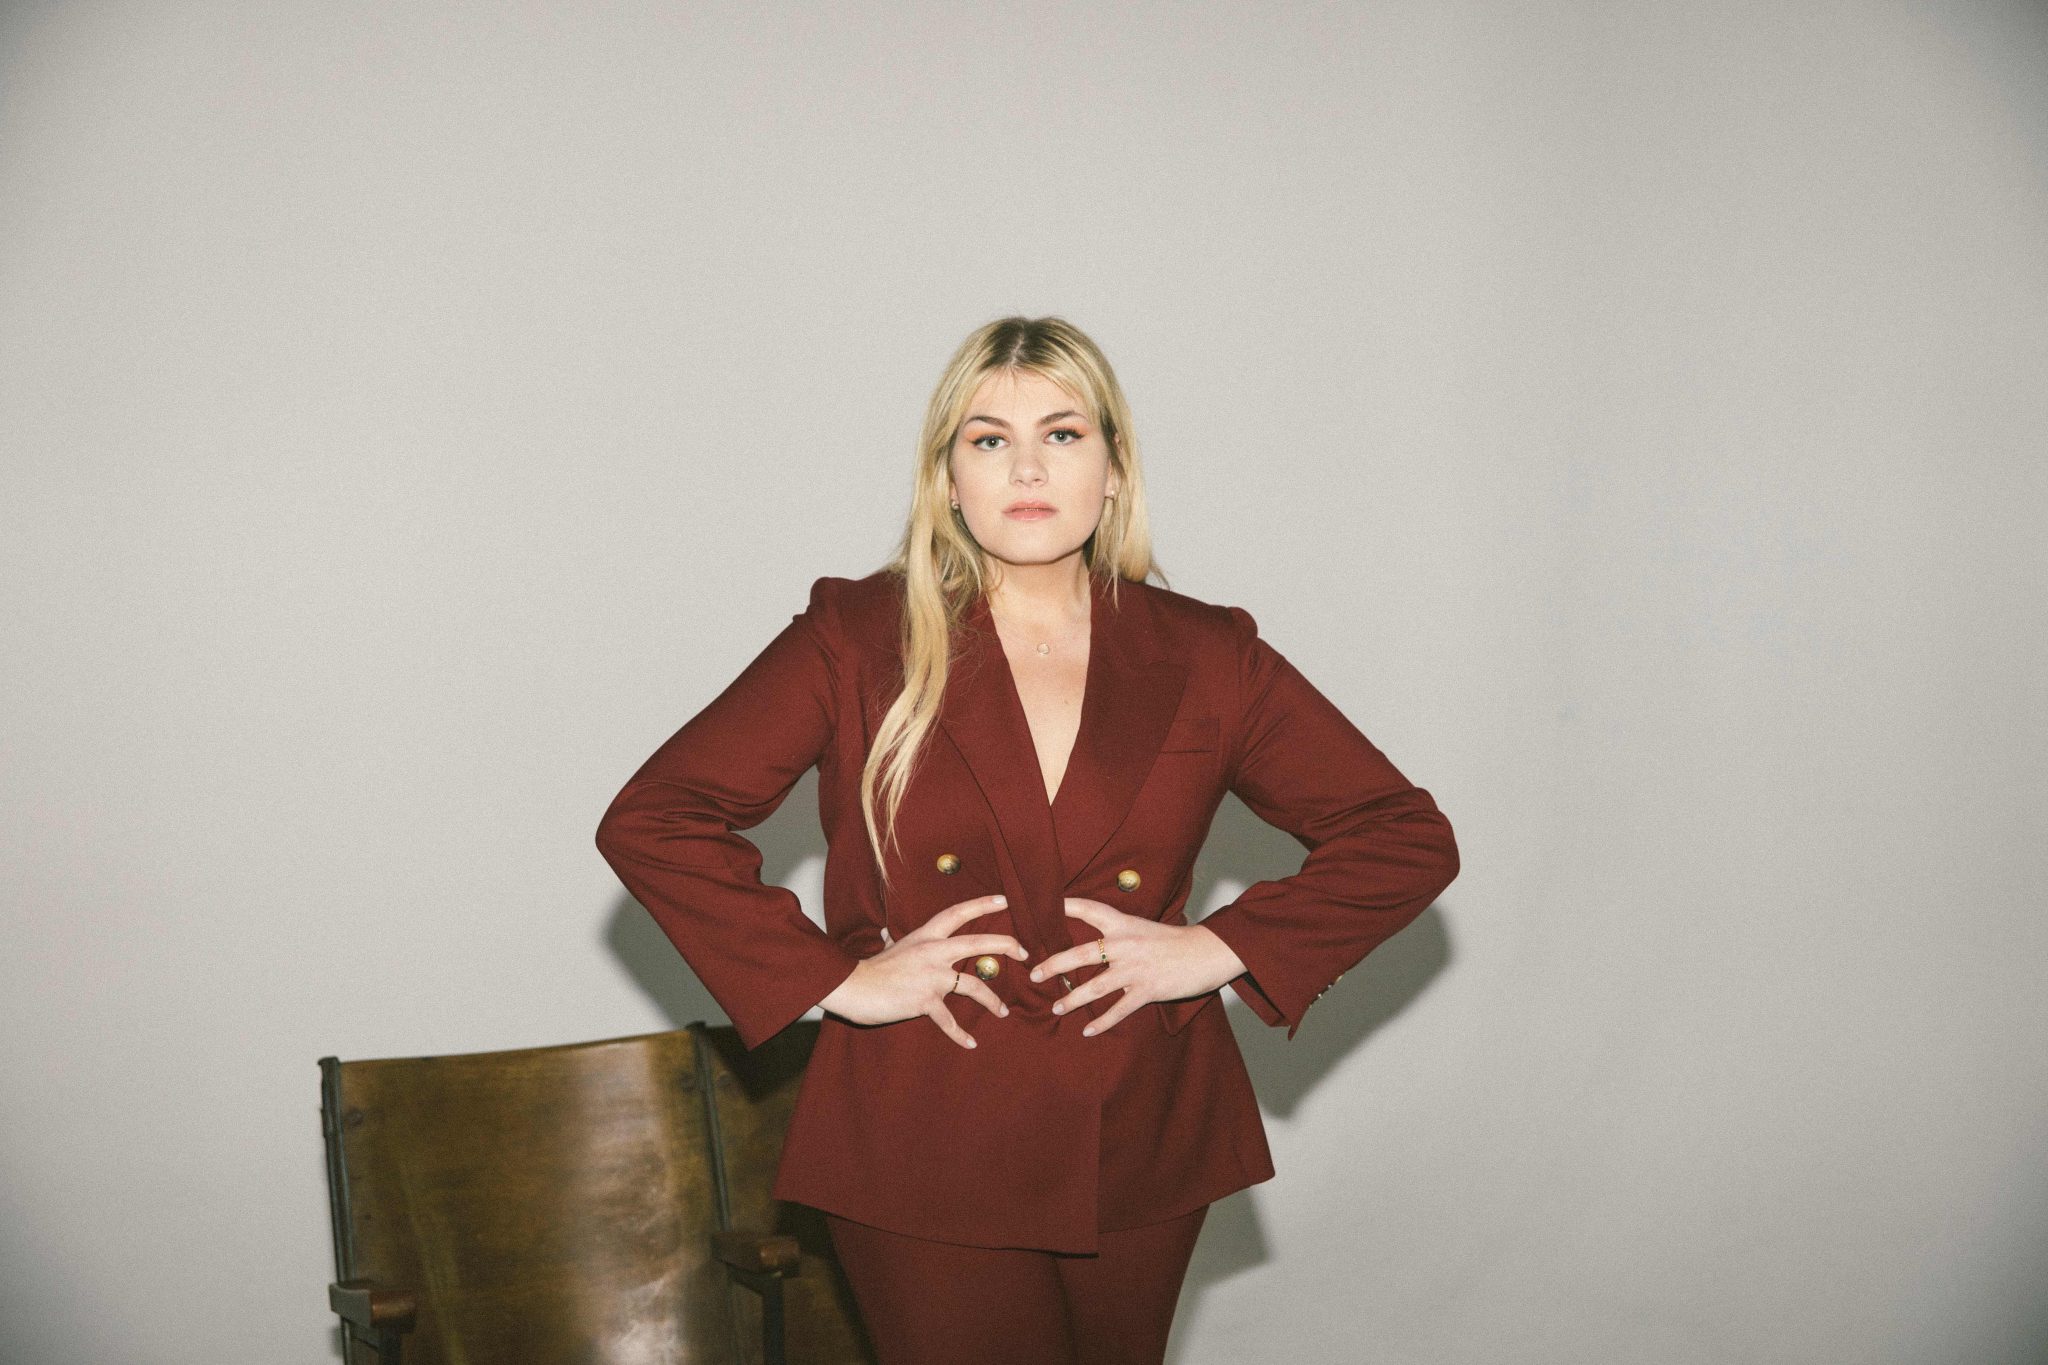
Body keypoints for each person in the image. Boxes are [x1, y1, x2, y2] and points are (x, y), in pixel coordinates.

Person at [594, 315, 1459, 1364]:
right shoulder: (856, 637)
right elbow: (658, 817)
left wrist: (1220, 946)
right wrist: (837, 980)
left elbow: (1401, 835)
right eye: (988, 438)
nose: (1028, 467)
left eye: (1062, 433)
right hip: (924, 1115)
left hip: (1141, 1124)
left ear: (1113, 470)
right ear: (947, 478)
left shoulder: (1207, 653)